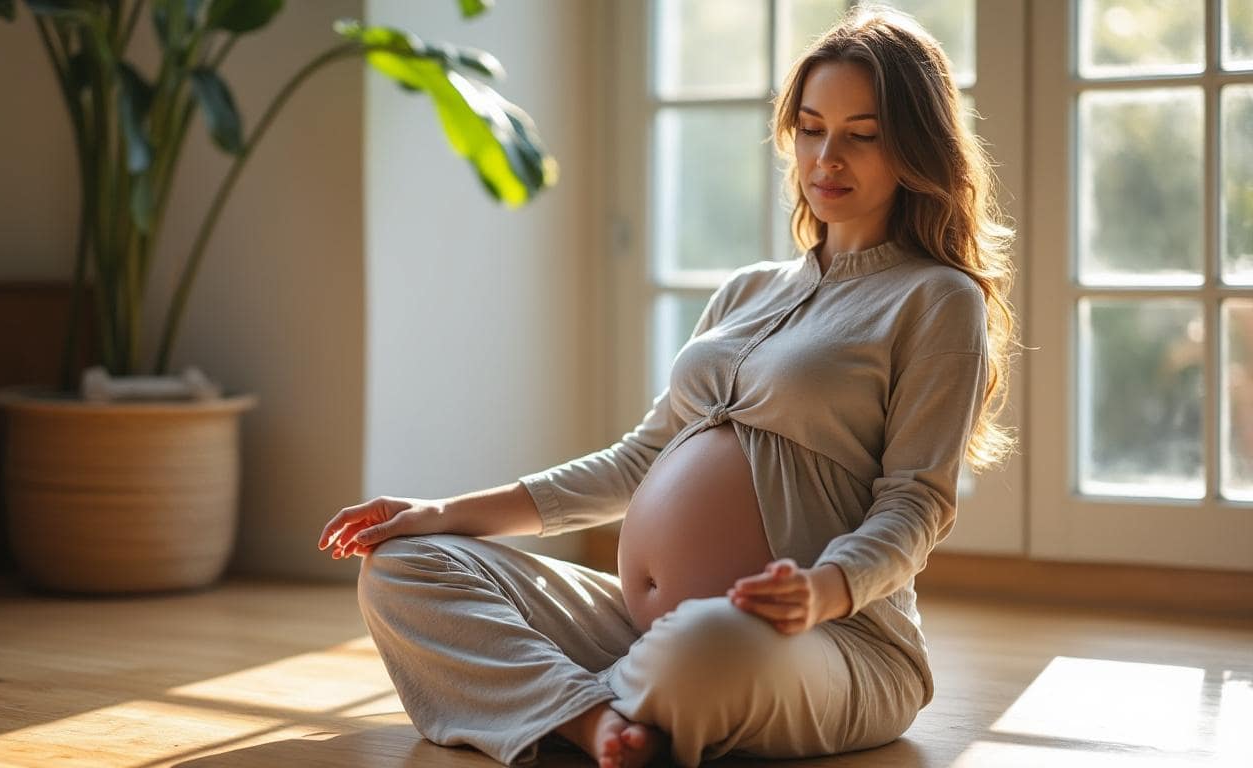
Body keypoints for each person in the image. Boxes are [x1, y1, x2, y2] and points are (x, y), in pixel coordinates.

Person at [318, 5, 1016, 767]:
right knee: (404, 567)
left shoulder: (937, 298)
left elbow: (917, 502)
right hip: (640, 627)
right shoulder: (747, 291)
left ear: (915, 146)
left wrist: (826, 589)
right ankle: (595, 720)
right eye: (811, 128)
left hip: (822, 641)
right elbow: (637, 462)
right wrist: (442, 512)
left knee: (705, 644)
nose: (826, 157)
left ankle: (560, 701)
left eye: (863, 134)